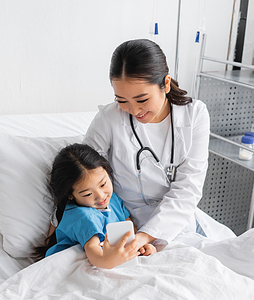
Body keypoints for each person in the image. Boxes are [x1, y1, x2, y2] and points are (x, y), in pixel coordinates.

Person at [84, 39, 236, 250]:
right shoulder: (109, 119)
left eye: (142, 99)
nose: (135, 111)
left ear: (165, 83)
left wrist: (147, 237)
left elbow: (187, 188)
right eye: (122, 100)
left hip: (175, 224)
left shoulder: (195, 115)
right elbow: (83, 174)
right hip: (123, 223)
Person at [38, 143, 156, 269]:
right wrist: (108, 261)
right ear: (70, 195)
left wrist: (139, 245)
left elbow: (127, 225)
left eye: (103, 184)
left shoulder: (113, 198)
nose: (101, 196)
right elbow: (92, 249)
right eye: (88, 194)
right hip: (73, 264)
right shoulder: (83, 216)